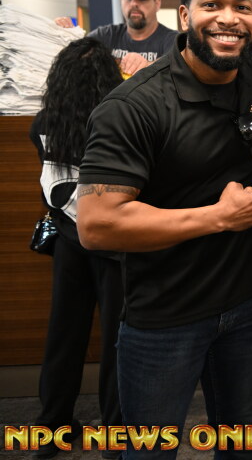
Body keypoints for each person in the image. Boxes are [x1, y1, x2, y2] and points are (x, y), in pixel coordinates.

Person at [76, 0, 252, 459]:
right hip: (166, 318)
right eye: (212, 5)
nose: (229, 18)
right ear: (185, 15)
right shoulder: (134, 106)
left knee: (241, 447)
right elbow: (97, 224)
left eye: (242, 7)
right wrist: (217, 218)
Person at [29, 38, 124, 459]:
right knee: (116, 342)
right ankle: (115, 437)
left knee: (64, 336)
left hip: (68, 243)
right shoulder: (116, 121)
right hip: (113, 242)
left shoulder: (43, 124)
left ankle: (51, 428)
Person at [55, 0, 178, 77]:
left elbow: (176, 63)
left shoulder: (173, 40)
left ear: (157, 3)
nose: (134, 3)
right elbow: (77, 54)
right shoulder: (105, 35)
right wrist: (63, 33)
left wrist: (148, 65)